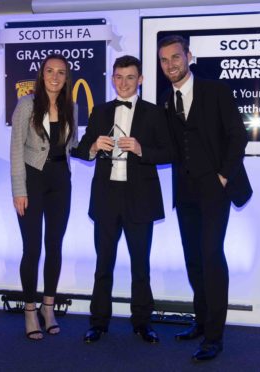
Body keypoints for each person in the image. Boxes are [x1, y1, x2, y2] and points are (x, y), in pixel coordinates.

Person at [158, 35, 252, 361]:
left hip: (215, 190)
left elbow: (237, 135)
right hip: (185, 194)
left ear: (188, 56)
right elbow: (171, 148)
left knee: (212, 257)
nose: (170, 64)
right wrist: (141, 150)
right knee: (194, 260)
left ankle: (215, 336)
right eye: (164, 60)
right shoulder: (165, 101)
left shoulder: (216, 91)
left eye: (175, 57)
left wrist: (223, 175)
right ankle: (200, 322)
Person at [72, 55, 172, 344]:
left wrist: (142, 149)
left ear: (140, 80)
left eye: (130, 77)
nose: (124, 82)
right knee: (103, 263)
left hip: (140, 198)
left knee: (141, 265)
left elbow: (169, 152)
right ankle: (98, 323)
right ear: (112, 78)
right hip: (106, 197)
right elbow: (79, 149)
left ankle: (143, 323)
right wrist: (92, 147)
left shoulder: (155, 113)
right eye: (118, 76)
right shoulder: (100, 111)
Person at [10, 54, 78, 340]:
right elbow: (15, 149)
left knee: (54, 246)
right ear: (41, 74)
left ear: (65, 78)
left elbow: (71, 144)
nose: (54, 77)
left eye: (60, 72)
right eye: (49, 71)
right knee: (32, 248)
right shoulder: (26, 105)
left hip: (61, 181)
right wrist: (19, 190)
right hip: (33, 180)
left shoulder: (71, 107)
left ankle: (48, 307)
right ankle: (29, 310)